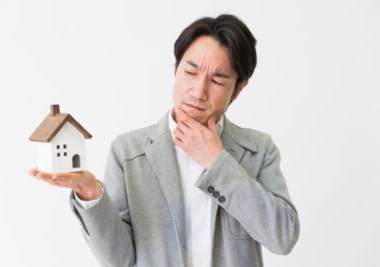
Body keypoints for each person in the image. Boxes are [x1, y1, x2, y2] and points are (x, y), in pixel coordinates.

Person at [29, 14, 300, 267]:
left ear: (239, 89)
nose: (198, 91)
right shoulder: (128, 151)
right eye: (190, 72)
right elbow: (120, 259)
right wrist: (90, 194)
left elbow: (283, 237)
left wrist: (216, 161)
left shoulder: (257, 149)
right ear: (175, 69)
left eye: (217, 80)